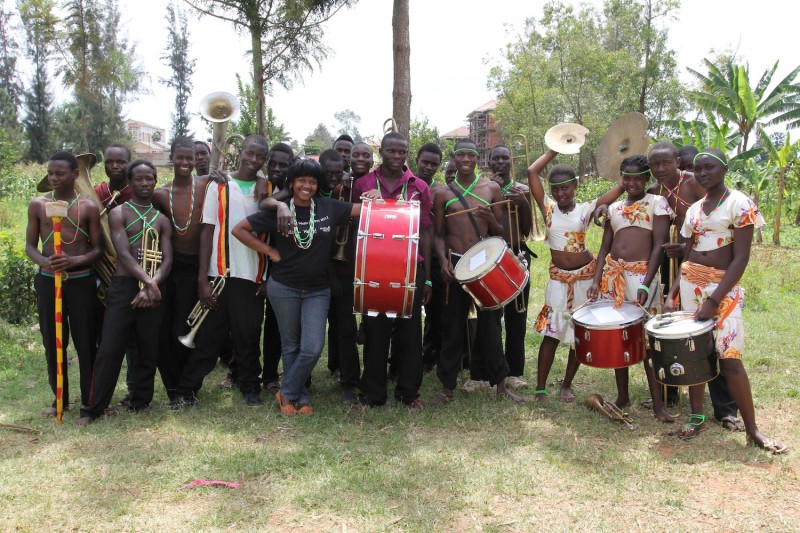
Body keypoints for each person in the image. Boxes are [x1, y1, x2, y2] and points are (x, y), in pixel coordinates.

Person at [664, 149, 786, 454]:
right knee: (694, 354)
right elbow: (688, 254)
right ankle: (696, 417)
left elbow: (741, 258)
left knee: (730, 359)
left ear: (724, 169)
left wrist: (714, 299)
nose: (703, 173)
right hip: (692, 284)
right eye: (699, 169)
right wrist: (673, 292)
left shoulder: (739, 204)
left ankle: (753, 430)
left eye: (710, 168)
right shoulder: (694, 209)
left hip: (723, 289)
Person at [235, 158, 373, 415]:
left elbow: (363, 210)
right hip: (283, 287)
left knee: (312, 347)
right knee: (291, 345)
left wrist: (374, 196)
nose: (307, 186)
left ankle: (286, 391)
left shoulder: (328, 207)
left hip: (317, 290)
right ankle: (301, 397)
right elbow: (240, 229)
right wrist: (270, 252)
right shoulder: (279, 210)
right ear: (292, 183)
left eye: (312, 181)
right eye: (301, 181)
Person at [647, 141, 743, 430]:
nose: (661, 170)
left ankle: (725, 408)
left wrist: (683, 247)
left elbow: (711, 222)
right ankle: (672, 391)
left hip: (706, 266)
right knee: (679, 332)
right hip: (677, 265)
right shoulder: (655, 191)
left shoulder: (694, 184)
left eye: (666, 164)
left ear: (677, 162)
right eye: (656, 165)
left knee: (713, 336)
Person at [170, 135, 270, 408]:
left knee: (248, 336)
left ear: (265, 161)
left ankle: (250, 388)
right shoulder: (219, 185)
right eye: (250, 153)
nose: (253, 159)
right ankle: (186, 390)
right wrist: (203, 278)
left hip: (252, 275)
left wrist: (267, 275)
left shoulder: (268, 188)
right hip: (220, 274)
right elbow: (207, 230)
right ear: (241, 152)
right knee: (209, 337)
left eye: (260, 156)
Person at [76, 160, 173, 425]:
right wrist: (148, 283)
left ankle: (141, 400)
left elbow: (167, 260)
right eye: (139, 179)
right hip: (124, 286)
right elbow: (123, 253)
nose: (144, 183)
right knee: (110, 347)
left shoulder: (162, 220)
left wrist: (152, 285)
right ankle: (93, 408)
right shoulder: (119, 213)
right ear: (130, 182)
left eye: (149, 179)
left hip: (153, 286)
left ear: (155, 181)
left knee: (147, 346)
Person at [527, 149, 623, 402]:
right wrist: (554, 149)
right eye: (555, 189)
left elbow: (620, 187)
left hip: (584, 278)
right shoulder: (548, 208)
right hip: (559, 280)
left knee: (578, 334)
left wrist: (624, 154)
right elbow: (531, 172)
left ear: (575, 186)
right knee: (552, 334)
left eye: (565, 188)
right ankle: (540, 387)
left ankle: (566, 385)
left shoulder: (586, 209)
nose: (560, 193)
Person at [431, 139, 522, 405]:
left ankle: (501, 385)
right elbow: (438, 235)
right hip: (457, 265)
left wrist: (491, 218)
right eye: (461, 155)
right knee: (453, 328)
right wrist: (443, 261)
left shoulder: (491, 188)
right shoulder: (443, 193)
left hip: (484, 266)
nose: (466, 160)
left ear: (477, 158)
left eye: (471, 155)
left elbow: (501, 232)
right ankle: (447, 387)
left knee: (492, 326)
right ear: (455, 159)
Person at [588, 155, 674, 423]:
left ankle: (659, 404)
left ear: (647, 178)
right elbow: (604, 248)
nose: (632, 182)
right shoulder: (613, 208)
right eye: (627, 177)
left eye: (638, 177)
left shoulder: (657, 203)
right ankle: (622, 395)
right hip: (614, 277)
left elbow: (659, 245)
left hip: (640, 278)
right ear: (621, 178)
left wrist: (648, 284)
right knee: (617, 337)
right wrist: (595, 279)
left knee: (647, 343)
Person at [351, 132, 433, 409]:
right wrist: (368, 203)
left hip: (411, 266)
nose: (397, 157)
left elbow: (426, 232)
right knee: (376, 330)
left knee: (411, 332)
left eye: (402, 152)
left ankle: (408, 393)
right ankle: (373, 394)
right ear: (381, 152)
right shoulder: (362, 183)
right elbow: (354, 225)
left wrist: (429, 277)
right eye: (391, 151)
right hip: (374, 266)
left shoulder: (419, 186)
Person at [26, 151, 103, 418]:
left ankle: (89, 404)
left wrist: (77, 259)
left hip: (81, 281)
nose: (54, 178)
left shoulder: (89, 207)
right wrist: (45, 262)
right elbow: (30, 246)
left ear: (75, 174)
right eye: (50, 173)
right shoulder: (38, 204)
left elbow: (98, 249)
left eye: (60, 173)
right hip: (48, 282)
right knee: (53, 340)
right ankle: (60, 399)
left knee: (85, 342)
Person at [151, 137, 209, 400]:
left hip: (199, 264)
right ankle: (174, 386)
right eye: (181, 157)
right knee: (166, 328)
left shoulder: (206, 185)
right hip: (170, 266)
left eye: (191, 158)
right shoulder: (160, 193)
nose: (186, 162)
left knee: (190, 326)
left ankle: (189, 385)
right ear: (171, 157)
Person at [488, 144, 533, 389]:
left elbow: (527, 230)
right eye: (496, 158)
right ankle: (491, 371)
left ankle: (515, 371)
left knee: (517, 315)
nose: (501, 162)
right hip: (491, 254)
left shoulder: (522, 189)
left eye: (505, 158)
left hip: (517, 252)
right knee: (491, 316)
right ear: (489, 161)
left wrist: (523, 203)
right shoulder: (484, 188)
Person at [319, 149, 360, 400]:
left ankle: (349, 381)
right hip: (317, 273)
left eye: (338, 172)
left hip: (342, 271)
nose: (334, 177)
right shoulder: (311, 193)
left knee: (345, 328)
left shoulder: (344, 191)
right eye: (328, 173)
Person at [260, 142, 295, 393]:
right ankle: (269, 374)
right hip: (265, 262)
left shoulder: (300, 189)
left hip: (293, 263)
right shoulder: (265, 187)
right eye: (273, 164)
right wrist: (282, 200)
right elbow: (264, 203)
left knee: (293, 326)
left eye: (284, 165)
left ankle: (296, 375)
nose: (277, 168)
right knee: (271, 323)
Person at [415, 143, 446, 372]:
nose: (429, 167)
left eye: (434, 164)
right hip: (406, 255)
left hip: (432, 256)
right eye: (425, 162)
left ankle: (430, 356)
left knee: (434, 311)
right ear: (417, 160)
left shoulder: (441, 190)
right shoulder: (406, 185)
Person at [95, 144, 134, 211]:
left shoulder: (139, 193)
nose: (114, 166)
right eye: (109, 162)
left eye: (121, 162)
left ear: (130, 164)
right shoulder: (96, 193)